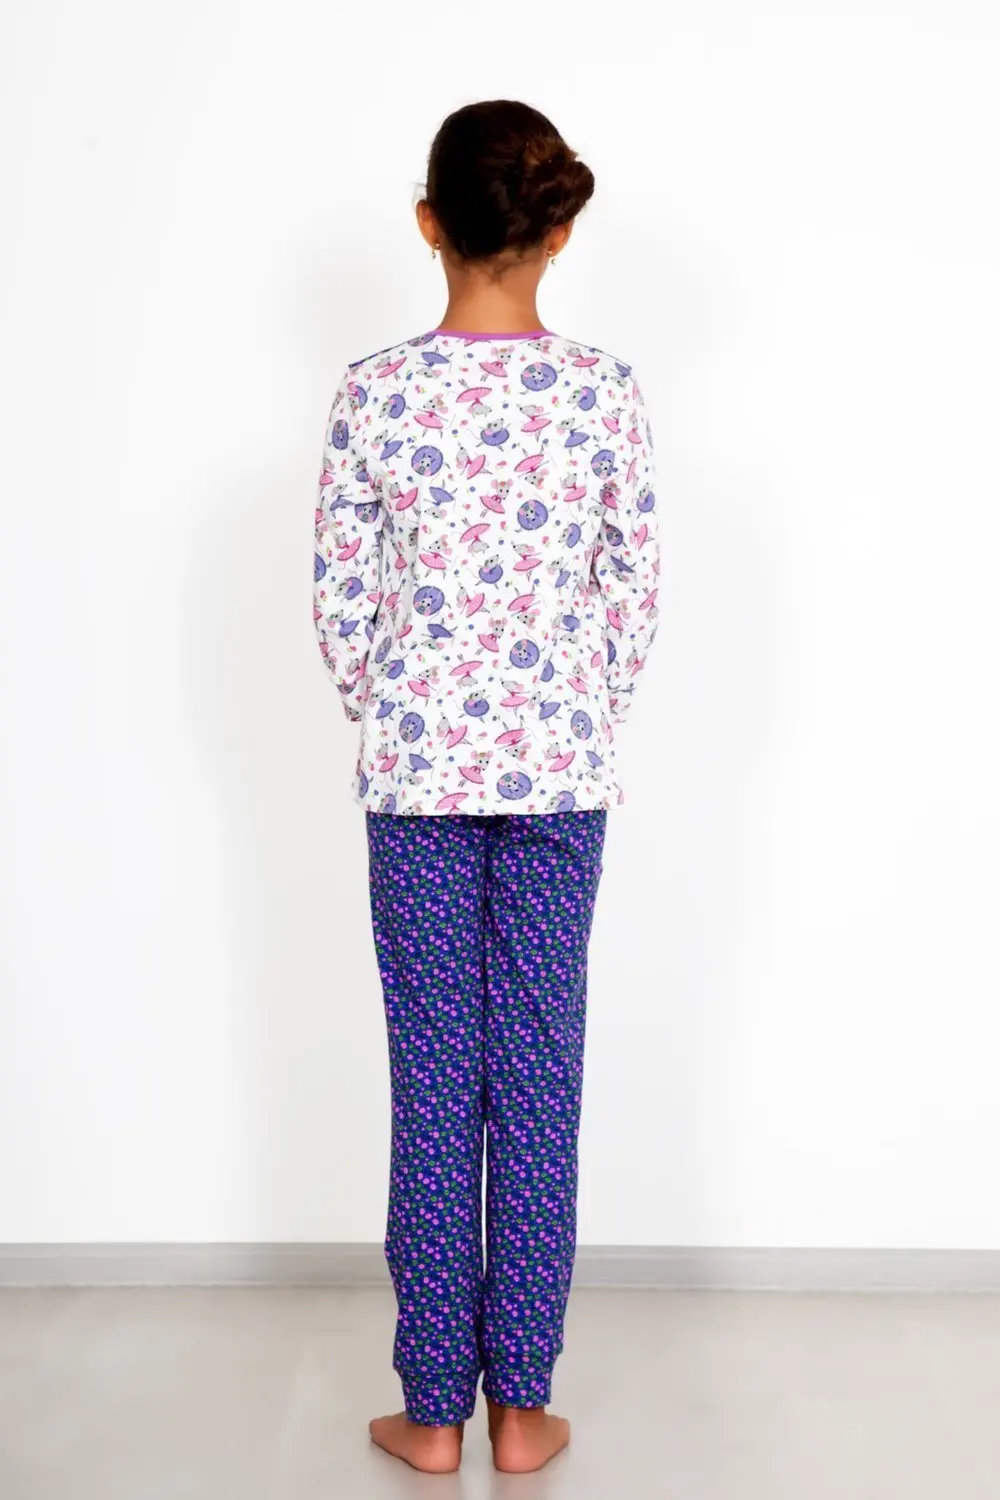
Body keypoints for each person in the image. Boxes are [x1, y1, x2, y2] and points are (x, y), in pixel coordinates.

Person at [313, 98, 660, 1475]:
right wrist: (567, 710)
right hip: (560, 776)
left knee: (435, 1083)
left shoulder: (374, 393)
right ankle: (523, 1406)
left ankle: (434, 1415)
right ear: (558, 231)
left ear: (429, 222)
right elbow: (631, 601)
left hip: (416, 780)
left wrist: (405, 709)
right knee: (536, 1080)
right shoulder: (605, 392)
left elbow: (342, 606)